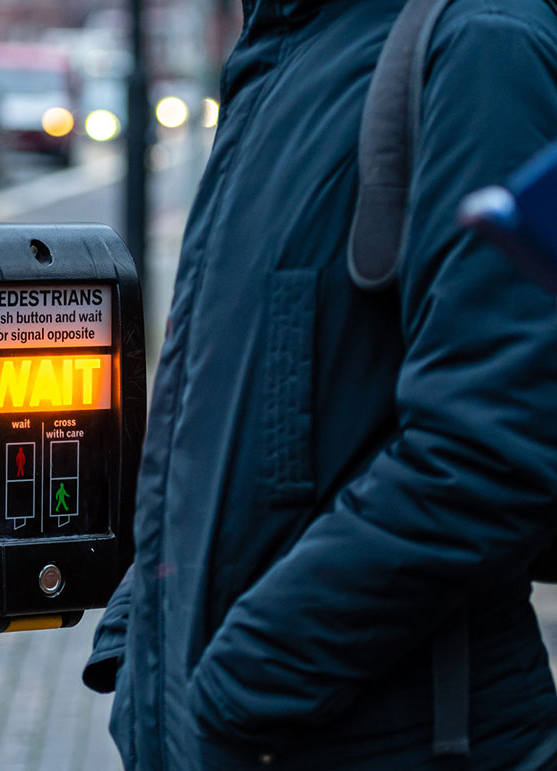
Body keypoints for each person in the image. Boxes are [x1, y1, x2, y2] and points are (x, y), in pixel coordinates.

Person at [84, 0, 557, 768]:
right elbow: (235, 405)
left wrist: (236, 689)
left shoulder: (483, 42)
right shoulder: (287, 53)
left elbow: (490, 448)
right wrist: (141, 632)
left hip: (385, 740)